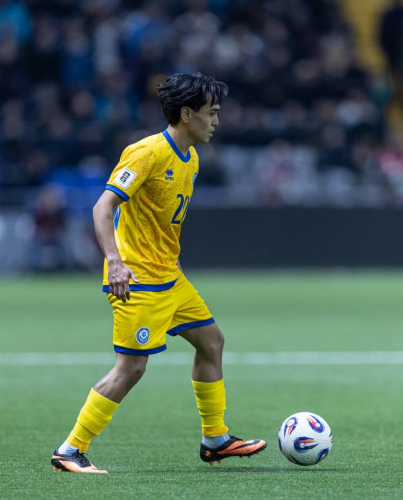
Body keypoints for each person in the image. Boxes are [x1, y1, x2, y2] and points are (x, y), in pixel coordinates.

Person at [51, 73, 267, 473]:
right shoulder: (146, 153)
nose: (216, 121)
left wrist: (174, 267)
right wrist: (115, 261)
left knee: (212, 342)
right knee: (131, 368)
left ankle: (215, 439)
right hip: (138, 281)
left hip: (171, 277)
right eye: (211, 112)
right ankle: (69, 451)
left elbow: (162, 224)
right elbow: (102, 208)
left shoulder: (191, 158)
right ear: (186, 114)